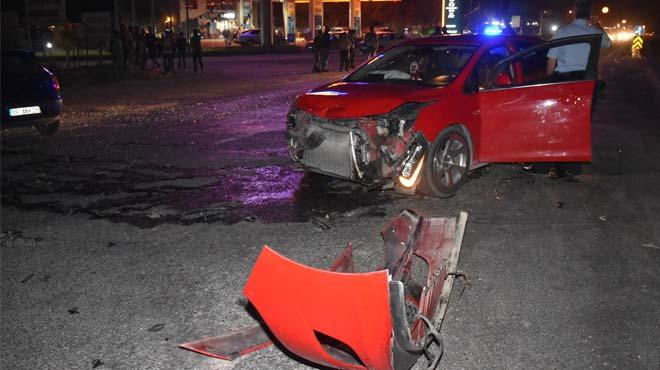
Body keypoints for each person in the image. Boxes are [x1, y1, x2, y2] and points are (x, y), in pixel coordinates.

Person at [546, 0, 611, 75]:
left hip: (564, 79)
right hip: (588, 80)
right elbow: (609, 44)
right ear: (590, 14)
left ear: (574, 13)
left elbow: (551, 60)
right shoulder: (596, 32)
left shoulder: (561, 32)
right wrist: (597, 25)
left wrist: (550, 81)